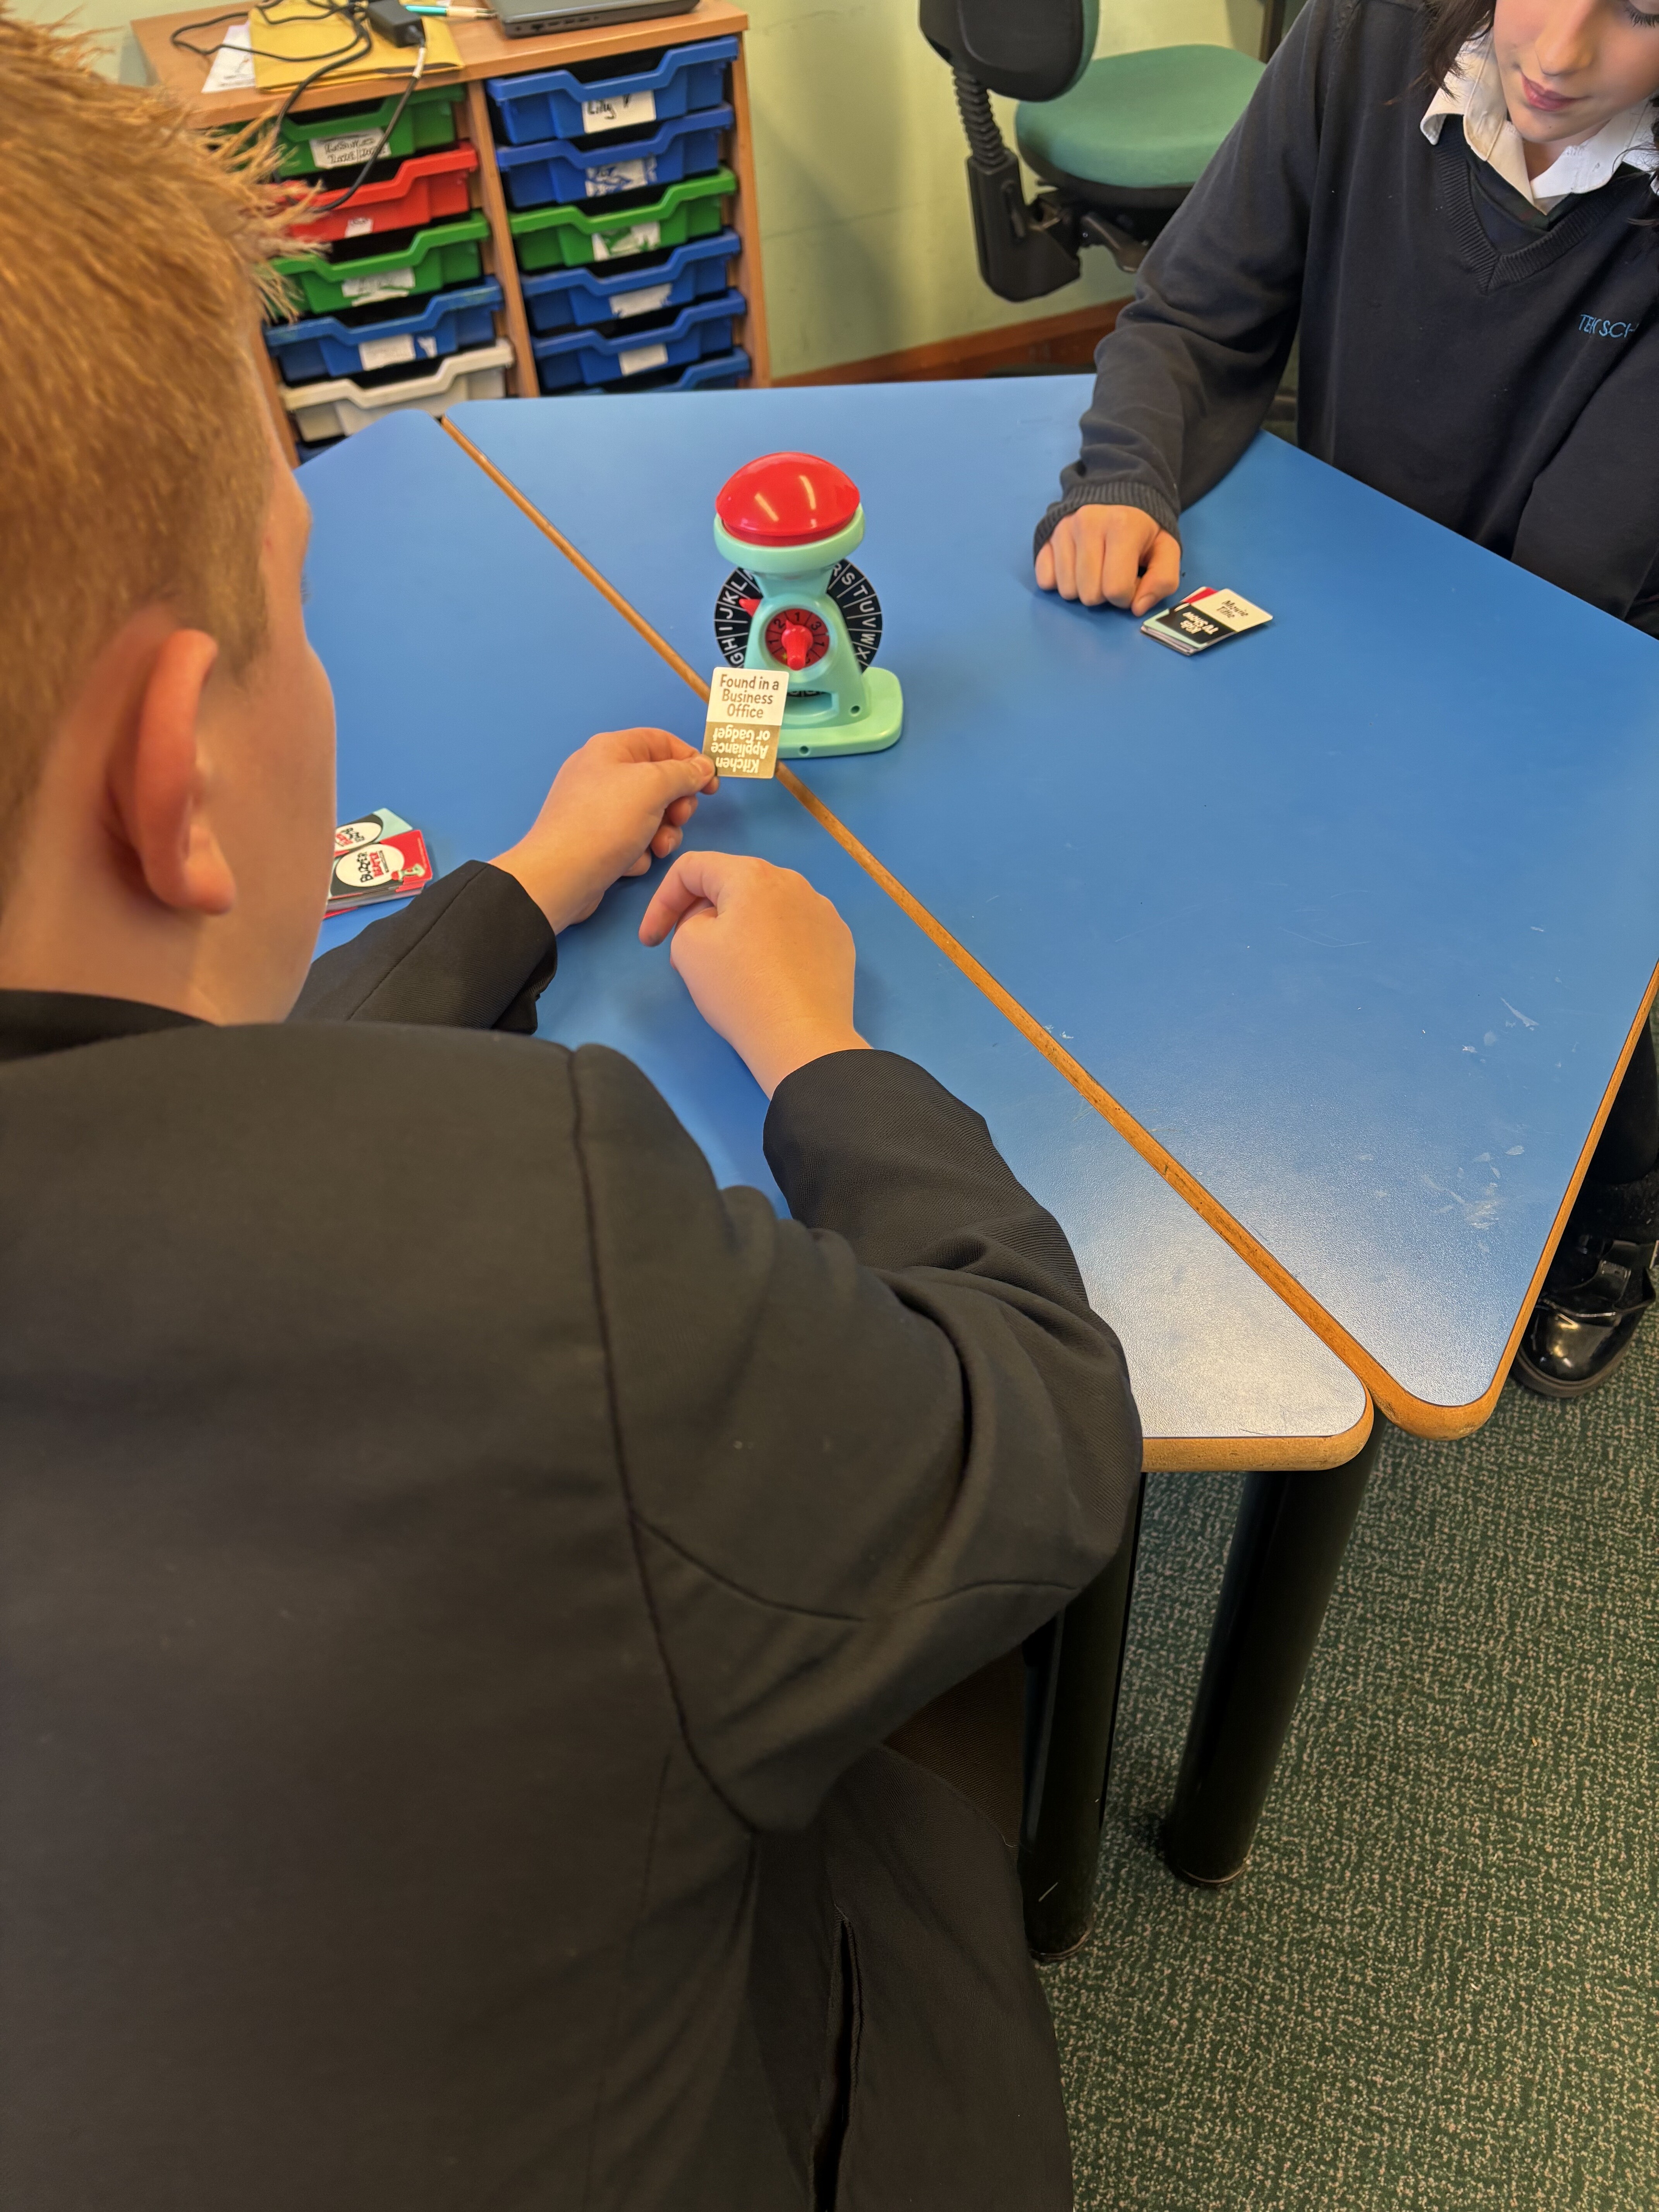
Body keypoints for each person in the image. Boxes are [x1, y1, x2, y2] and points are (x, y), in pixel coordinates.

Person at [0, 16, 1141, 2210]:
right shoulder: (544, 1238)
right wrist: (818, 1053)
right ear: (178, 773)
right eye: (292, 607)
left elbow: (177, 1098)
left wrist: (518, 889)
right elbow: (1030, 1428)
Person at [1034, 0, 1659, 1398]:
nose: (1555, 55)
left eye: (1640, 12)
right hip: (1378, 569)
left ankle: (1619, 1210)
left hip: (1600, 628)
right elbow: (1194, 312)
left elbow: (1583, 557)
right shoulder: (1362, 40)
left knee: (1560, 913)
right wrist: (1124, 477)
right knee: (1321, 860)